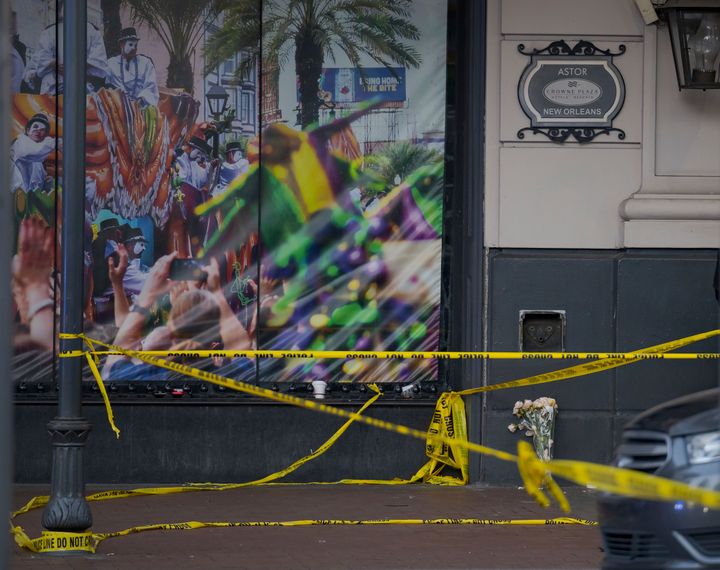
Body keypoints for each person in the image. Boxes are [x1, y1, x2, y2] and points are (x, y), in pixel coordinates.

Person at [26, 0, 109, 95]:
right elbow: (40, 61)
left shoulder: (92, 31)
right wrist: (52, 64)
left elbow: (99, 62)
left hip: (81, 89)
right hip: (52, 90)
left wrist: (78, 66)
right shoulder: (49, 32)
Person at [106, 27, 159, 108]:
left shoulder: (146, 63)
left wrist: (141, 99)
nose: (134, 48)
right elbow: (106, 88)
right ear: (121, 44)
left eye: (136, 45)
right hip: (118, 109)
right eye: (130, 44)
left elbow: (151, 87)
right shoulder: (111, 64)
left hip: (141, 108)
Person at [10, 114, 56, 192]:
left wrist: (47, 184)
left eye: (42, 130)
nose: (38, 131)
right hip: (14, 196)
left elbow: (39, 186)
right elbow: (29, 152)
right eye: (35, 127)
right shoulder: (20, 142)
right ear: (28, 130)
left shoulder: (39, 162)